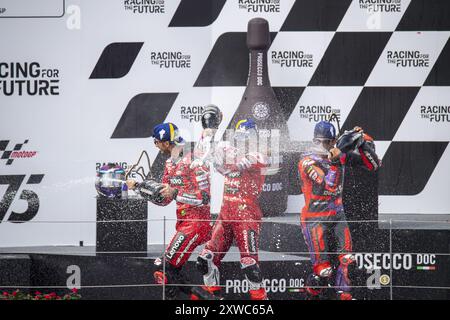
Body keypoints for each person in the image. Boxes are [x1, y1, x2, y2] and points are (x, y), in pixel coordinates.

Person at [126, 122, 212, 299]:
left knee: (162, 268)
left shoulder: (195, 160)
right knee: (170, 273)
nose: (156, 146)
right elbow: (164, 199)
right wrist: (139, 187)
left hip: (196, 223)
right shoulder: (170, 163)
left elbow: (204, 198)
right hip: (184, 224)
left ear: (165, 143)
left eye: (156, 142)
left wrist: (176, 193)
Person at [298, 121, 380, 300]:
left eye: (331, 142)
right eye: (325, 142)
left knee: (348, 263)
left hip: (338, 215)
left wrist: (361, 143)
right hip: (314, 219)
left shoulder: (340, 155)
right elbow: (326, 184)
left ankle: (345, 297)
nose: (328, 145)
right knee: (323, 272)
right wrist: (334, 162)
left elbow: (374, 165)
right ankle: (310, 296)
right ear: (315, 141)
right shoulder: (307, 161)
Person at [194, 118, 269, 300]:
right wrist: (207, 139)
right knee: (205, 260)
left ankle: (260, 300)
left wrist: (217, 154)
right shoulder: (229, 150)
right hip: (225, 214)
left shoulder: (260, 154)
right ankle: (212, 297)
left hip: (247, 216)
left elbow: (236, 165)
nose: (243, 141)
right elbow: (207, 156)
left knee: (250, 264)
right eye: (240, 137)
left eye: (247, 137)